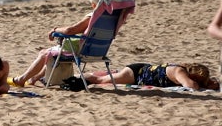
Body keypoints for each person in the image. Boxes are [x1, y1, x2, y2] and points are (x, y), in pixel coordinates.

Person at [11, 0, 110, 86]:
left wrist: (55, 30)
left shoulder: (92, 17)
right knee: (53, 54)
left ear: (93, 5)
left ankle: (21, 80)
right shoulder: (111, 19)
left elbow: (70, 31)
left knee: (44, 53)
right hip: (99, 51)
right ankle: (34, 78)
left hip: (81, 51)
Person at [84, 63, 220, 90]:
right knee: (100, 80)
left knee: (109, 76)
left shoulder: (181, 70)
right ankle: (81, 78)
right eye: (199, 78)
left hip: (140, 69)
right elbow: (191, 86)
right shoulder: (180, 72)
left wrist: (207, 83)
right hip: (135, 74)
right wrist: (204, 85)